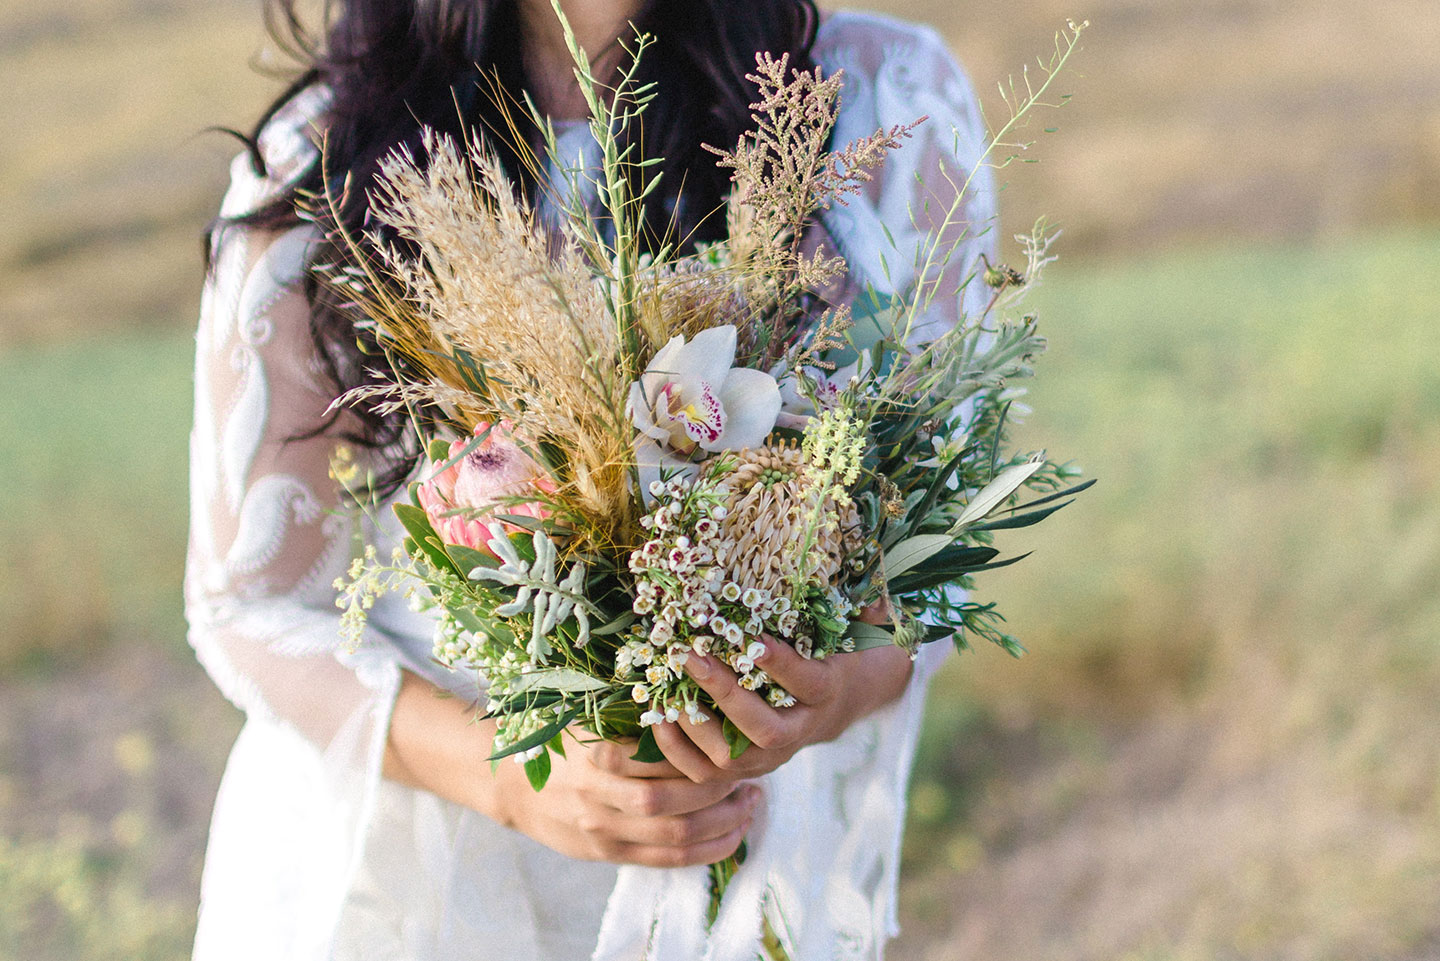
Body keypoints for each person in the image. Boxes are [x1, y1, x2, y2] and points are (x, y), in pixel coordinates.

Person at [186, 0, 996, 958]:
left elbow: (940, 534)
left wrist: (843, 686)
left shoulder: (887, 98)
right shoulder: (328, 152)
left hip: (738, 872)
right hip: (417, 886)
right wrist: (508, 775)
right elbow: (248, 608)